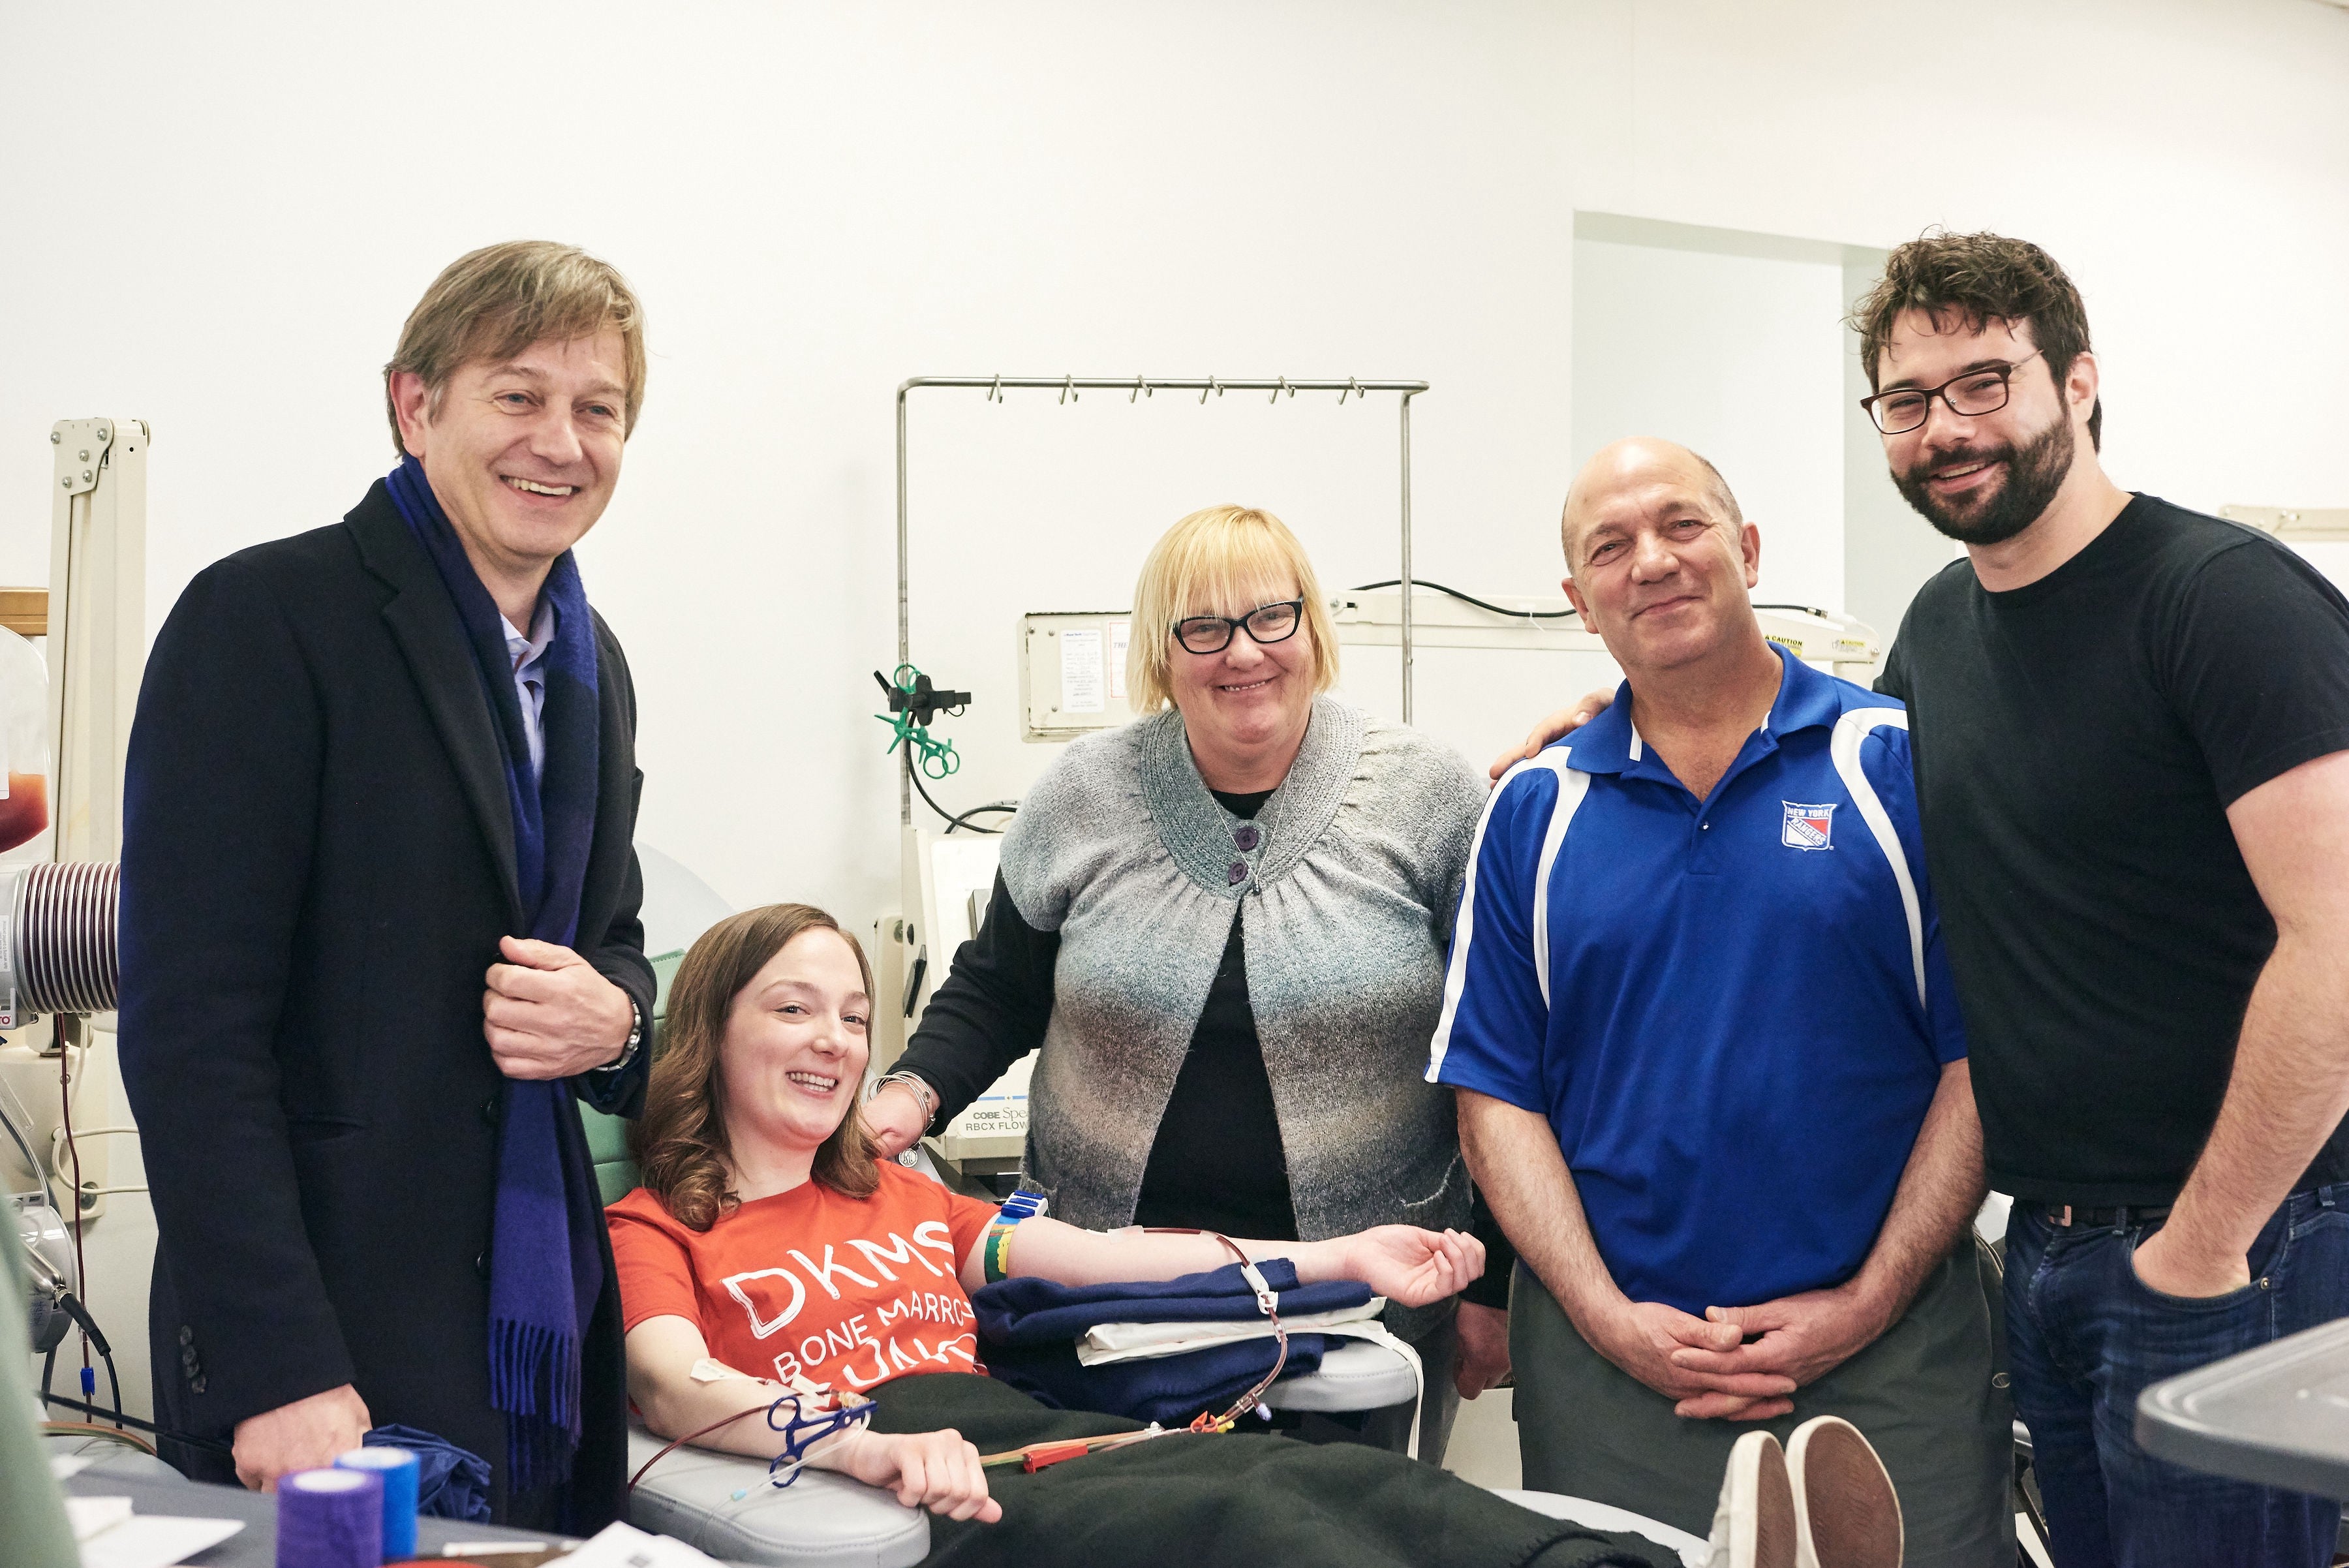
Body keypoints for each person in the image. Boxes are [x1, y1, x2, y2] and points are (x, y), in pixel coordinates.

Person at [609, 900, 1862, 1568]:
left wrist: (1344, 1260)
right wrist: (859, 1451)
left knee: (1333, 1479)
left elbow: (1116, 1256)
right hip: (928, 1475)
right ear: (710, 1031)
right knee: (1263, 1531)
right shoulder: (650, 1224)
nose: (835, 1040)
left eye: (852, 1013)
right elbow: (673, 1385)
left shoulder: (910, 1200)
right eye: (793, 1009)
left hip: (1034, 1437)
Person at [119, 241, 657, 1530]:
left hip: (531, 1339)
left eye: (599, 408)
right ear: (416, 405)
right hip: (331, 1350)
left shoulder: (596, 669)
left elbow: (620, 953)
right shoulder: (266, 619)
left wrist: (619, 1022)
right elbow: (193, 1033)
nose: (561, 441)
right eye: (518, 396)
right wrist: (279, 1365)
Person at [1847, 232, 2349, 1568]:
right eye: (1908, 399)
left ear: (2077, 383)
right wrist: (1626, 717)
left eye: (1984, 380)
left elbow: (2340, 948)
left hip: (2250, 1240)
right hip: (2052, 1246)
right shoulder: (1940, 627)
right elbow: (1838, 798)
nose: (1946, 427)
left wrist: (2205, 1242)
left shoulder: (2223, 601)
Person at [1436, 438, 2009, 1565]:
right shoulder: (1532, 814)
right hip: (1619, 1380)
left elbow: (1980, 1057)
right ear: (1579, 603)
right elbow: (1496, 1098)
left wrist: (1870, 1300)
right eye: (1611, 546)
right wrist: (1606, 1319)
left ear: (1747, 548)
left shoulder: (1899, 767)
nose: (1650, 561)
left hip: (1888, 1366)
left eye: (1682, 525)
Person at [863, 504, 1505, 1460]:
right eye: (1202, 628)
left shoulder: (1433, 797)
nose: (1242, 652)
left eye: (1270, 618)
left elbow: (1504, 1050)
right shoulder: (1082, 793)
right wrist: (905, 1099)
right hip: (1111, 1301)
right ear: (1161, 655)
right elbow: (998, 988)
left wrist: (1493, 1292)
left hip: (1365, 1301)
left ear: (1312, 628)